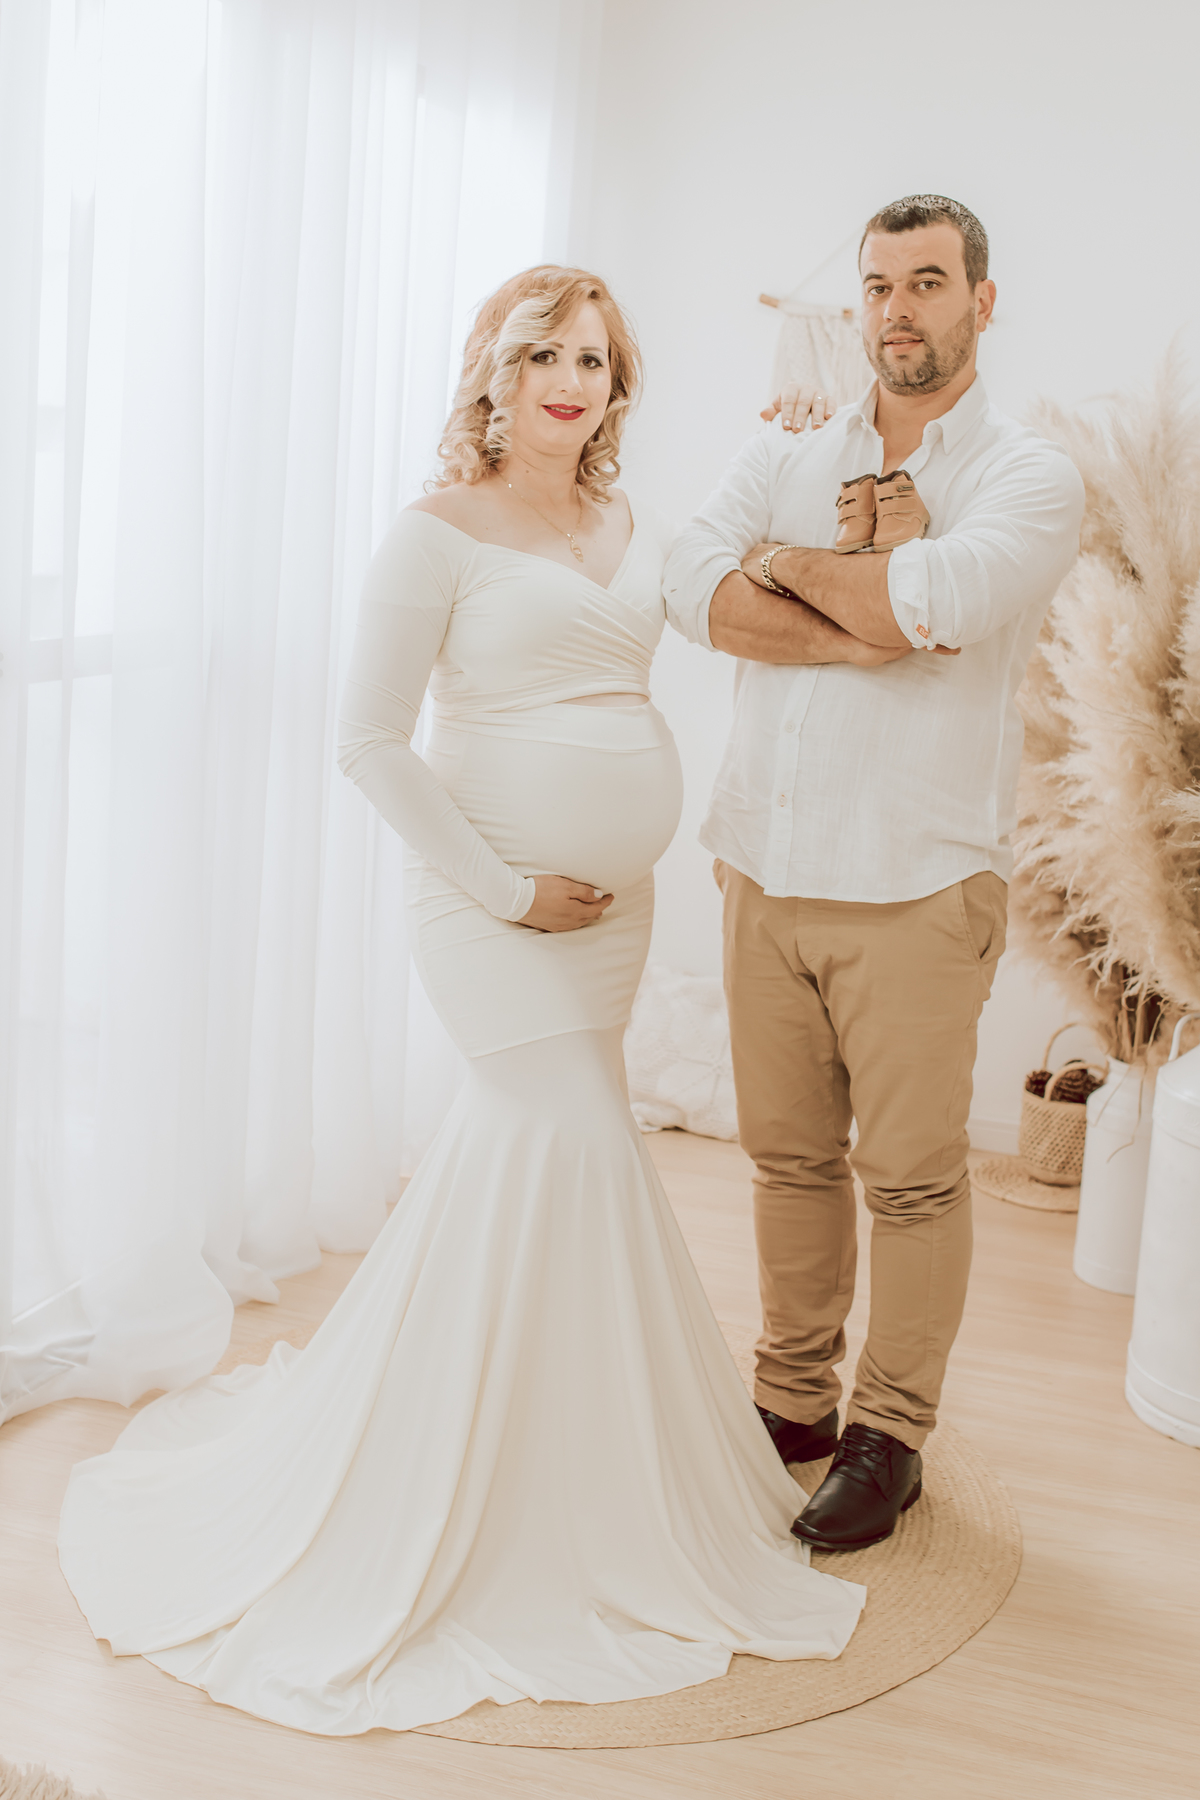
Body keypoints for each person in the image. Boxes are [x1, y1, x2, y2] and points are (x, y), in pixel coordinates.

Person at [58, 265, 864, 1736]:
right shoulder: (434, 532)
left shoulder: (631, 526)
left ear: (619, 389)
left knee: (557, 1165)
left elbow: (752, 590)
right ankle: (481, 1490)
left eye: (595, 360)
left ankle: (568, 1460)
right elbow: (368, 742)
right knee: (566, 1146)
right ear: (493, 371)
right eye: (542, 352)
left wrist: (808, 458)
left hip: (609, 918)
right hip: (490, 911)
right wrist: (506, 889)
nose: (568, 380)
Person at [665, 196, 1085, 1553]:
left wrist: (785, 573)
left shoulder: (1031, 476)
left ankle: (887, 1436)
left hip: (916, 884)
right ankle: (792, 1402)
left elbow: (936, 602)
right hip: (762, 864)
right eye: (879, 284)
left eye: (929, 282)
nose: (899, 309)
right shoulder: (786, 447)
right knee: (787, 1159)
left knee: (909, 1178)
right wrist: (854, 601)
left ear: (982, 301)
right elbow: (685, 581)